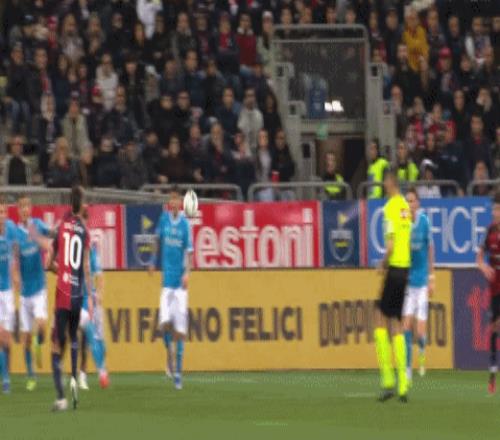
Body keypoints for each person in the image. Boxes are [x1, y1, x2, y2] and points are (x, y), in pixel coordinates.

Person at [49, 186, 91, 411]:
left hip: (63, 293)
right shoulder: (84, 231)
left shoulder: (61, 227)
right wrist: (89, 296)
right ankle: (75, 384)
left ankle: (61, 398)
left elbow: (49, 263)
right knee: (74, 338)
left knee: (56, 347)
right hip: (78, 294)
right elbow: (85, 266)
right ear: (81, 204)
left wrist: (60, 270)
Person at [149, 186, 193, 390]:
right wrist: (152, 261)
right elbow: (156, 240)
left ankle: (178, 375)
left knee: (180, 330)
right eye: (171, 199)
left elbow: (190, 253)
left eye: (177, 200)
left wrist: (187, 273)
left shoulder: (185, 225)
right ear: (169, 203)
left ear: (180, 204)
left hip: (180, 286)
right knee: (165, 325)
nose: (174, 203)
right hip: (166, 283)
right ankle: (169, 353)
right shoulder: (164, 220)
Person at [374, 171, 411, 403]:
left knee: (379, 319)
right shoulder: (405, 206)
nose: (383, 185)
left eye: (385, 181)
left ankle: (388, 380)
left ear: (390, 183)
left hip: (395, 268)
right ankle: (403, 385)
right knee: (396, 324)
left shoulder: (389, 207)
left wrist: (382, 263)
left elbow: (390, 244)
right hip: (405, 270)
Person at [15, 195, 53, 391]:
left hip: (39, 289)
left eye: (27, 206)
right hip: (24, 293)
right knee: (26, 340)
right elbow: (14, 258)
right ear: (18, 210)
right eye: (21, 206)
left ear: (30, 209)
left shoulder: (37, 224)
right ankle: (31, 375)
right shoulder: (15, 232)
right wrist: (15, 277)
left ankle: (40, 340)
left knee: (42, 325)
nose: (25, 209)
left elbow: (51, 236)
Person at [403, 188, 434, 383]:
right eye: (407, 201)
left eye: (412, 201)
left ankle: (422, 348)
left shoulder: (424, 222)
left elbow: (430, 249)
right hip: (409, 282)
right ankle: (408, 367)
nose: (409, 204)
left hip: (422, 283)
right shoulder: (404, 223)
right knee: (406, 325)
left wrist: (432, 277)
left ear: (418, 203)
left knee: (420, 331)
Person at [78, 207, 109, 391]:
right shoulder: (72, 246)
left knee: (99, 344)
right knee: (87, 334)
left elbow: (99, 274)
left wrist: (100, 293)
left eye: (84, 220)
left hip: (92, 299)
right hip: (78, 298)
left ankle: (89, 372)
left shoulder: (91, 248)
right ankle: (98, 373)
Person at [477, 191, 500, 394]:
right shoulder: (490, 231)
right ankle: (493, 372)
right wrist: (483, 266)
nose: (495, 212)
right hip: (494, 287)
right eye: (494, 209)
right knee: (494, 327)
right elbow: (479, 256)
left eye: (498, 209)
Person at [0, 199, 19, 394]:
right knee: (1, 336)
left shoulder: (12, 229)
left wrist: (16, 274)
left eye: (3, 212)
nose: (1, 216)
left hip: (8, 292)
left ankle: (6, 373)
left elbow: (15, 253)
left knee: (7, 339)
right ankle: (5, 378)